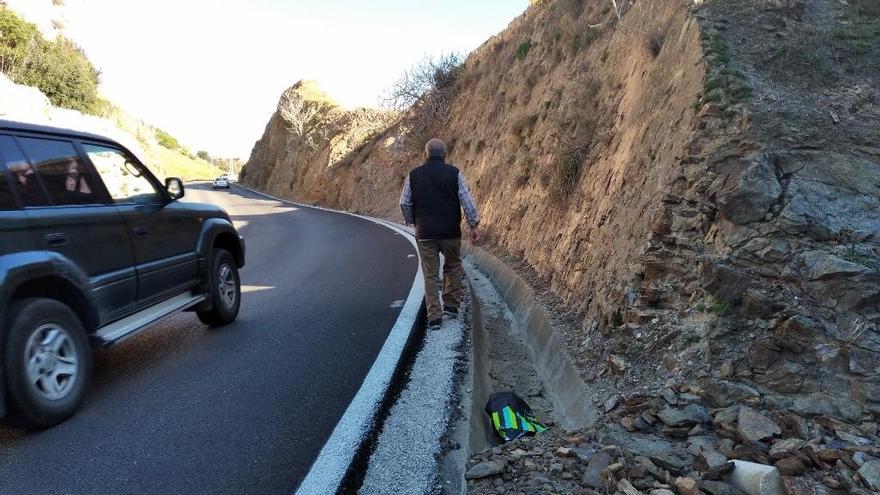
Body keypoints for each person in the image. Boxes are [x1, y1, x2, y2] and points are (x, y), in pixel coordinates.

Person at [400, 138, 481, 329]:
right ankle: (451, 306)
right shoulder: (454, 173)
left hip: (425, 233)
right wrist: (473, 225)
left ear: (426, 154)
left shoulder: (414, 175)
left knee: (430, 274)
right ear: (445, 155)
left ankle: (434, 317)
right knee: (452, 267)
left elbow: (404, 202)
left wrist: (412, 220)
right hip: (450, 232)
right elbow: (467, 200)